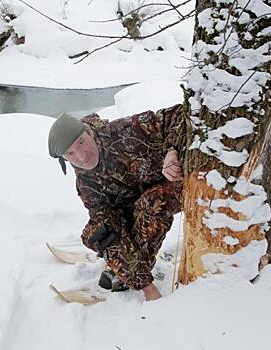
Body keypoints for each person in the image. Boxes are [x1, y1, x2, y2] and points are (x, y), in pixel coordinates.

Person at [47, 105, 185, 301]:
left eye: (81, 143)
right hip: (141, 202)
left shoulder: (126, 131)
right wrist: (146, 287)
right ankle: (131, 271)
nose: (81, 156)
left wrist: (172, 151)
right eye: (70, 154)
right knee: (98, 232)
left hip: (183, 182)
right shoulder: (87, 185)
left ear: (90, 133)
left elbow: (179, 114)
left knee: (153, 201)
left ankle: (127, 271)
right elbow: (108, 229)